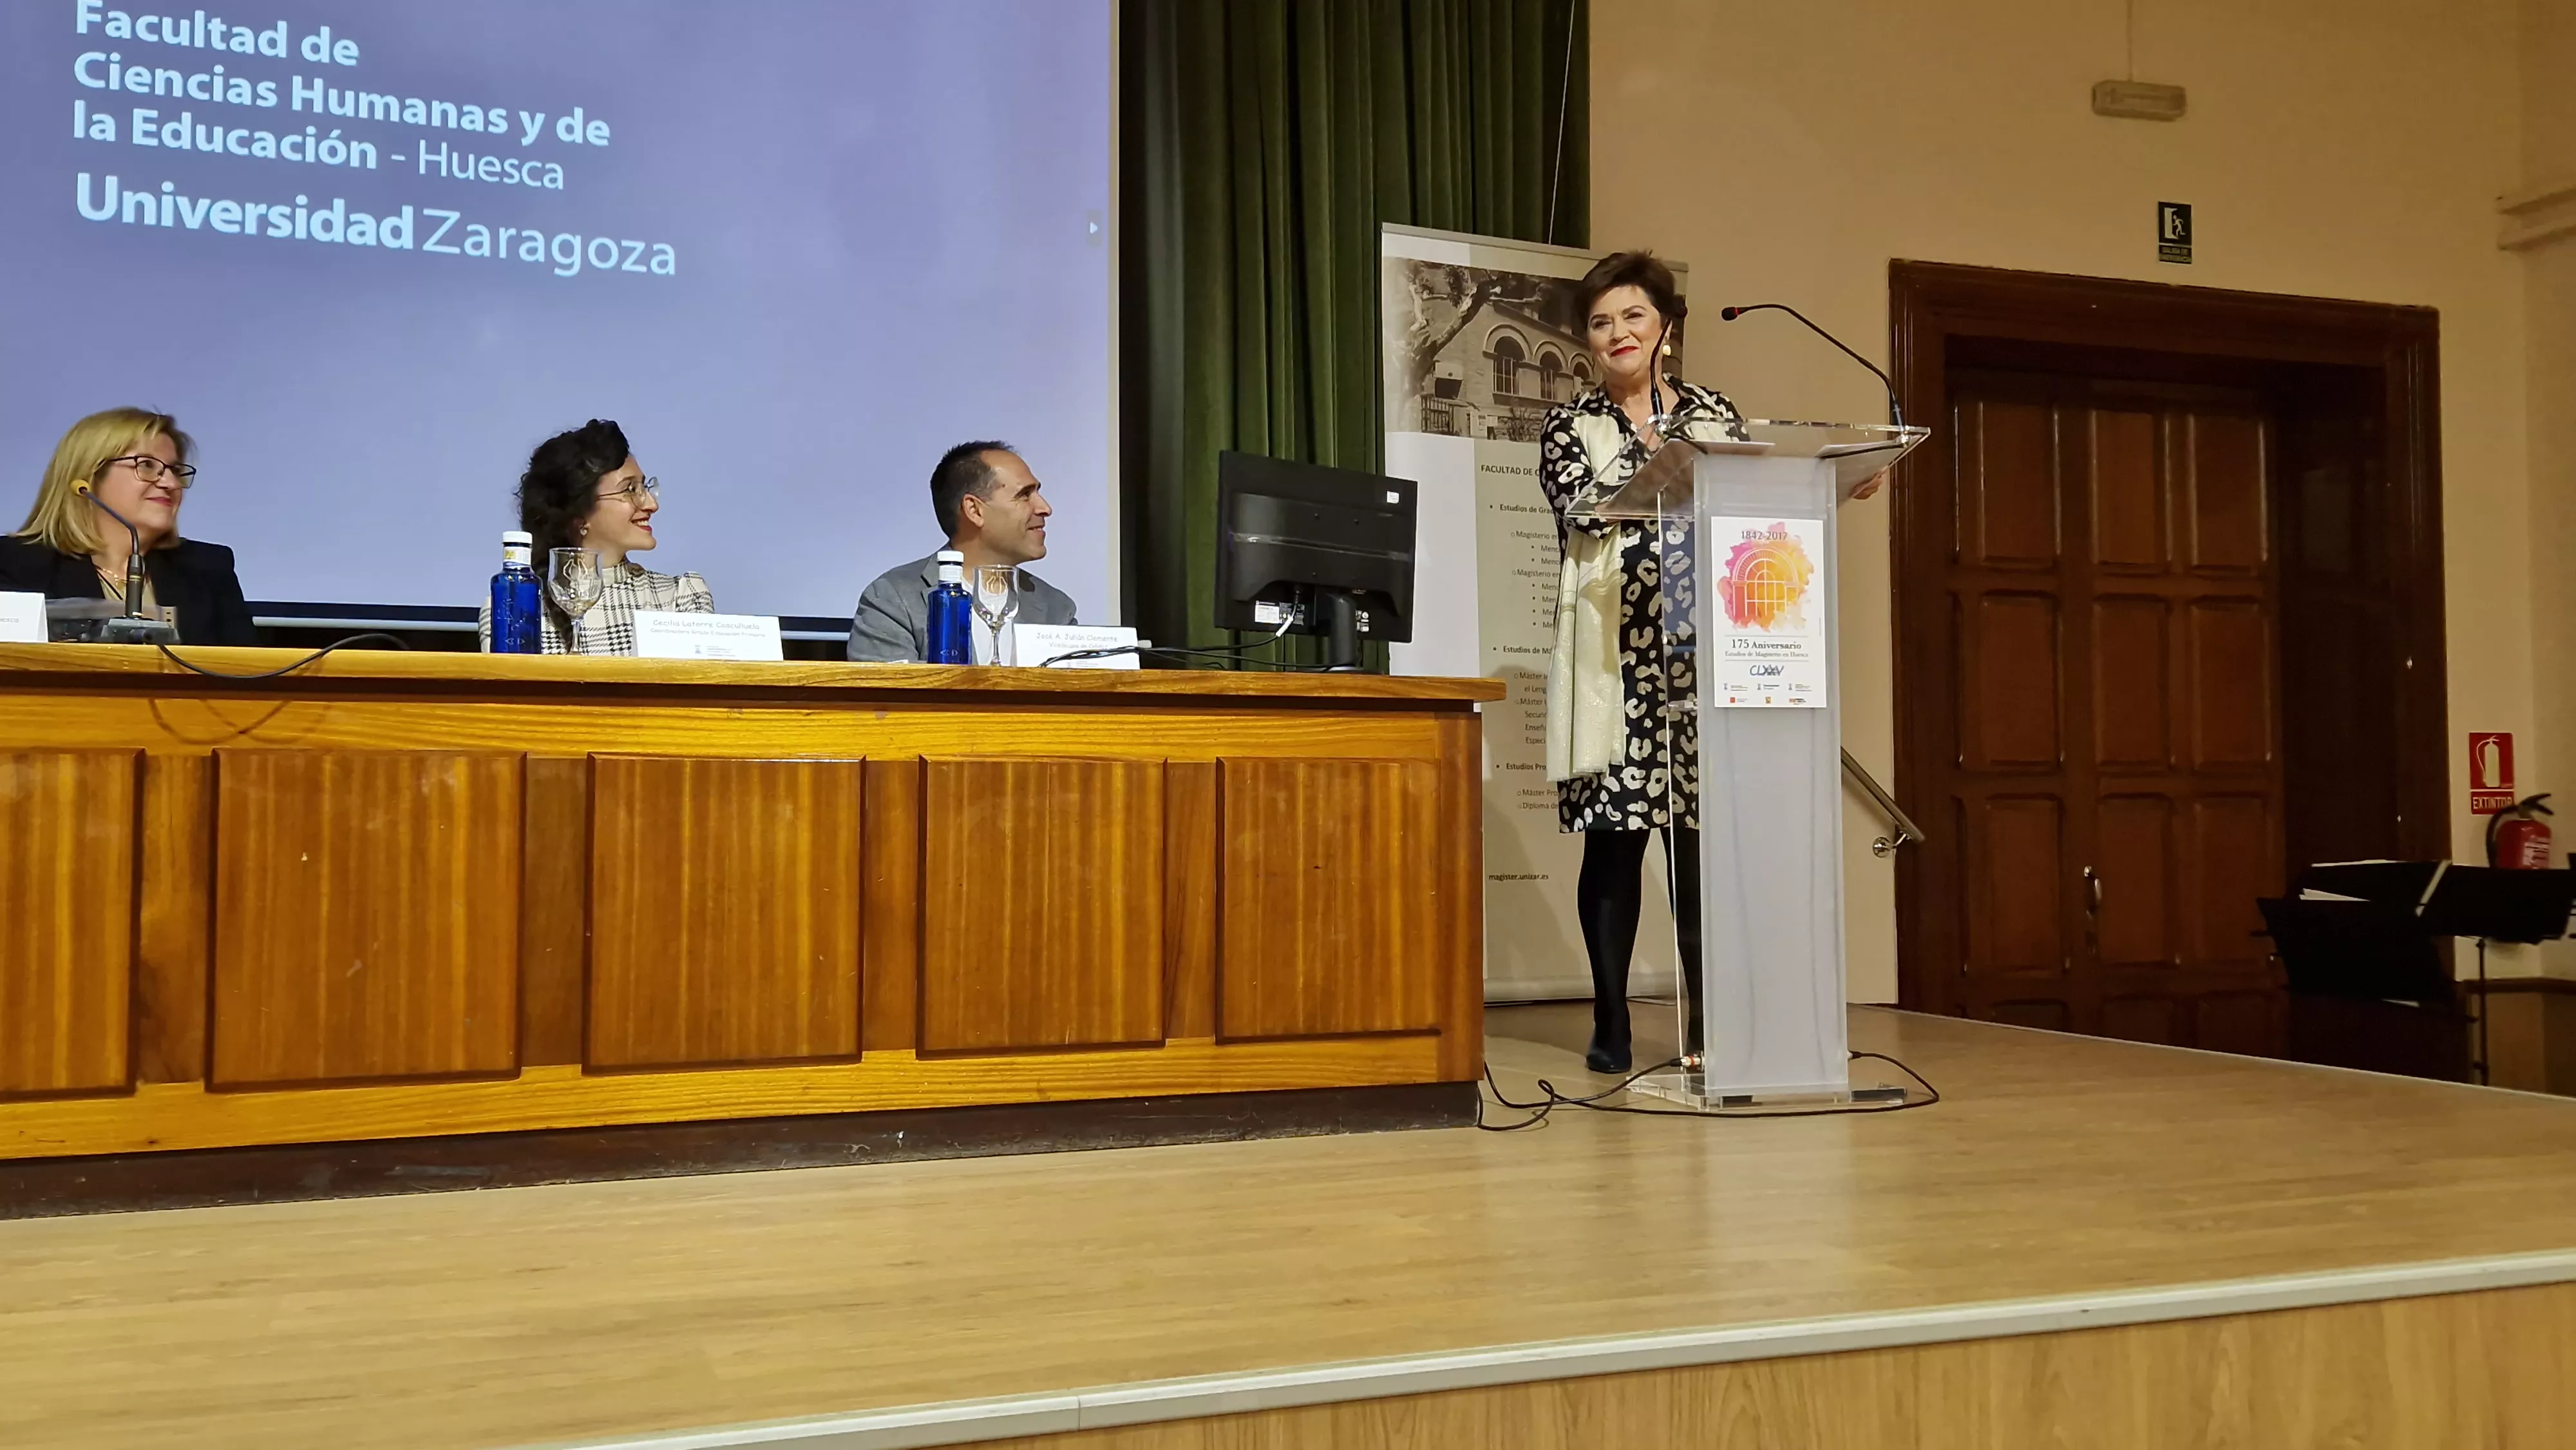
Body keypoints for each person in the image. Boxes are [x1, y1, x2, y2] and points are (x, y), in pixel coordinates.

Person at [1539, 251, 1749, 1075]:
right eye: (1600, 322)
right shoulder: (1571, 425)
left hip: (1705, 658)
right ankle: (1610, 1016)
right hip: (1615, 659)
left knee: (1696, 846)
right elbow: (1583, 508)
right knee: (1615, 842)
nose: (1617, 333)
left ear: (1666, 324)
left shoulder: (1715, 411)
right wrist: (1664, 456)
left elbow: (1745, 500)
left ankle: (1706, 1022)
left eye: (1631, 316)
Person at [0, 407, 256, 646]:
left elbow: (248, 674)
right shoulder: (16, 564)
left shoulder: (208, 567)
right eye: (146, 465)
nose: (170, 483)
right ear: (88, 476)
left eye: (175, 470)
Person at [480, 419, 712, 654]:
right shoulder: (513, 607)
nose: (652, 504)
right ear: (579, 515)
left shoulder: (680, 597)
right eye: (631, 490)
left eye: (645, 487)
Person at [849, 440, 1079, 663]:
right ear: (974, 510)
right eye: (1025, 495)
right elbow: (887, 693)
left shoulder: (1055, 608)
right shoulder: (893, 599)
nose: (1045, 508)